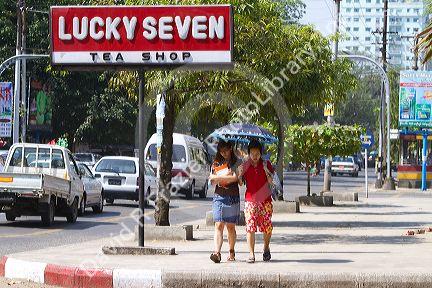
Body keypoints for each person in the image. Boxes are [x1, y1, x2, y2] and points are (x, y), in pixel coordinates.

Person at [238, 140, 274, 263]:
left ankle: (266, 247)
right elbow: (241, 183)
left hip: (265, 200)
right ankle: (251, 253)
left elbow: (270, 182)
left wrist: (265, 170)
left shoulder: (266, 164)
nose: (254, 156)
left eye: (257, 153)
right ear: (248, 153)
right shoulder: (245, 165)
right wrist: (239, 173)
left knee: (267, 227)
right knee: (250, 226)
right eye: (252, 153)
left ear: (261, 153)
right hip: (250, 200)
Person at [208, 140, 241, 263]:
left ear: (231, 148)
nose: (223, 154)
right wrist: (222, 177)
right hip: (219, 196)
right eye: (221, 151)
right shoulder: (216, 162)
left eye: (226, 151)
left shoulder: (237, 162)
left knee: (230, 227)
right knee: (218, 224)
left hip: (232, 197)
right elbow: (211, 181)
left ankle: (231, 251)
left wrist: (218, 177)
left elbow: (235, 178)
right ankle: (217, 253)